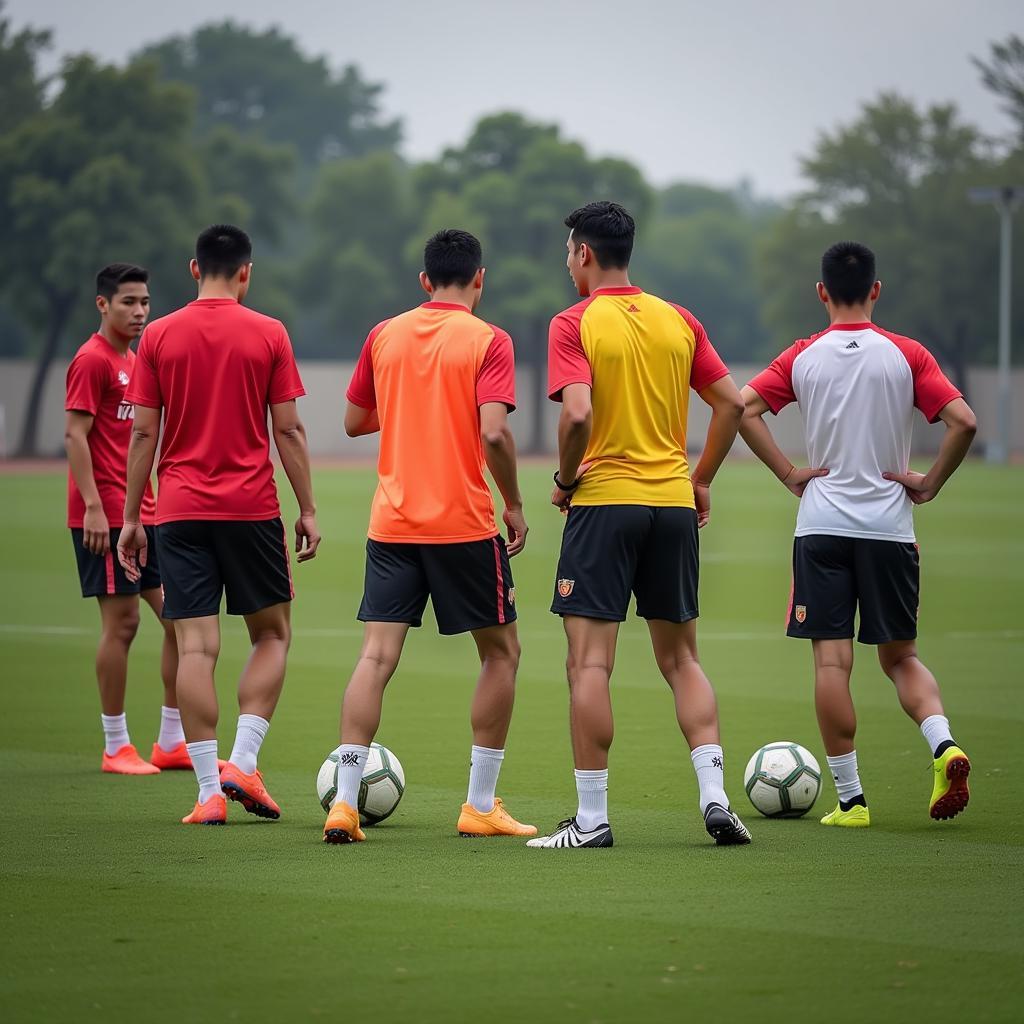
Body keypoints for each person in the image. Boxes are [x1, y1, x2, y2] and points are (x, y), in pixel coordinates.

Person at [530, 201, 751, 850]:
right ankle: (715, 797)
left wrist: (566, 481)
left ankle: (592, 819)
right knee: (682, 658)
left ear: (584, 256)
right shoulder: (678, 318)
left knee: (588, 664)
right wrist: (700, 477)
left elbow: (575, 417)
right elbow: (732, 404)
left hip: (604, 501)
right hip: (673, 503)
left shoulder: (573, 322)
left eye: (569, 253)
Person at [739, 240, 976, 828]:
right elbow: (964, 422)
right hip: (889, 527)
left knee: (831, 666)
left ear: (821, 292)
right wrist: (930, 483)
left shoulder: (801, 356)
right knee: (901, 658)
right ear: (876, 290)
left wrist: (789, 471)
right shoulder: (906, 354)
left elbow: (742, 408)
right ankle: (944, 746)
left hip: (821, 525)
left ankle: (851, 801)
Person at [324, 228, 534, 845]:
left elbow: (355, 419)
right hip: (463, 523)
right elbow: (494, 434)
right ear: (480, 279)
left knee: (376, 657)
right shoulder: (489, 339)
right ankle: (478, 805)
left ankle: (343, 804)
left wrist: (412, 401)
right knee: (501, 653)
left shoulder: (384, 334)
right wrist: (515, 503)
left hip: (391, 522)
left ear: (423, 281)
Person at [117, 224, 321, 825]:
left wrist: (133, 518)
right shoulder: (268, 332)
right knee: (272, 636)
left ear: (192, 268)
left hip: (178, 512)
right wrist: (307, 507)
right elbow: (287, 428)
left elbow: (143, 433)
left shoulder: (158, 335)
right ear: (246, 272)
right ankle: (243, 760)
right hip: (251, 510)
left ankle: (208, 792)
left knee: (196, 648)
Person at [65, 263, 184, 775]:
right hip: (106, 517)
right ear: (103, 304)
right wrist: (92, 505)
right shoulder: (92, 361)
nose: (139, 312)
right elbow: (74, 436)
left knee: (181, 620)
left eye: (145, 303)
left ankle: (171, 740)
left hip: (144, 514)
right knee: (124, 622)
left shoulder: (136, 361)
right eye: (128, 302)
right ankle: (116, 745)